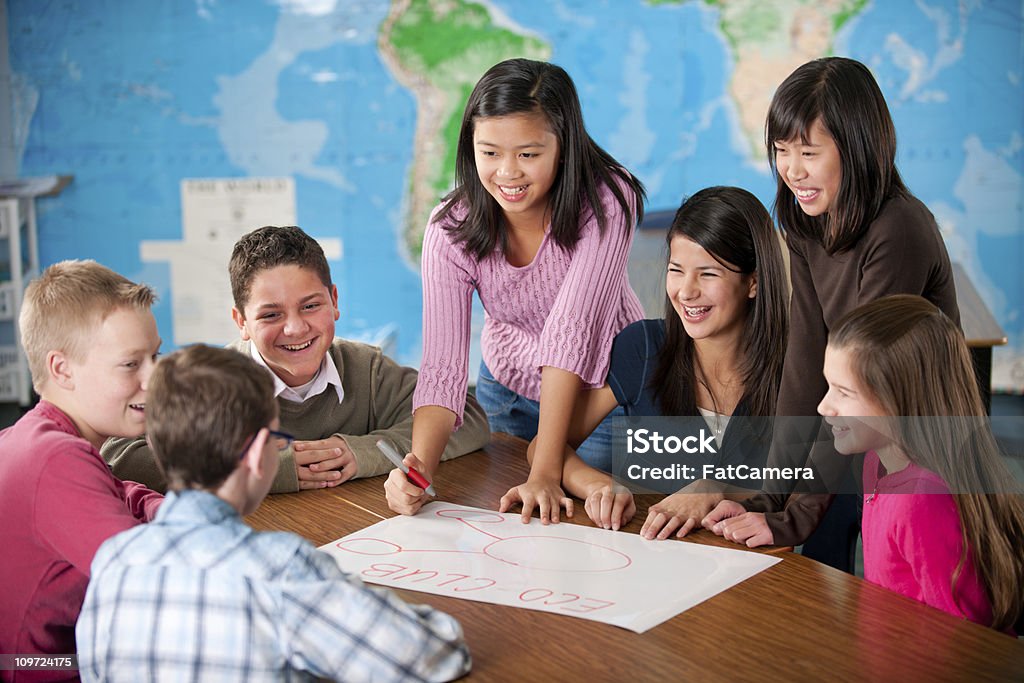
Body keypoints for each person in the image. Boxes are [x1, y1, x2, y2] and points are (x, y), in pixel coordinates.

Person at [76, 344, 471, 681]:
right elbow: (437, 654)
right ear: (256, 454)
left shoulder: (112, 563)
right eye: (277, 439)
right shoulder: (282, 573)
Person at [703, 56, 959, 571]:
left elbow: (861, 389)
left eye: (808, 151)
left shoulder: (898, 230)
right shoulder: (804, 216)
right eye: (780, 150)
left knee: (853, 566)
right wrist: (769, 499)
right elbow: (805, 356)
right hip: (858, 422)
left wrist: (791, 519)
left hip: (916, 442)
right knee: (802, 553)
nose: (791, 169)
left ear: (858, 147)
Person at [389, 58, 647, 523]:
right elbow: (443, 366)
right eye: (490, 153)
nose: (508, 173)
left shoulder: (609, 197)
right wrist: (420, 471)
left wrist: (547, 467)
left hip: (602, 390)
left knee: (602, 529)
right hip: (506, 391)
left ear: (563, 146)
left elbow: (572, 331)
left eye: (528, 154)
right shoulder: (451, 228)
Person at [103, 225, 490, 493]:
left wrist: (361, 452)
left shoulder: (367, 371)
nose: (294, 329)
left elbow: (468, 418)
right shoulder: (210, 383)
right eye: (270, 315)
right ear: (241, 321)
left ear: (334, 302)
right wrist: (268, 467)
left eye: (310, 306)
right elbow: (118, 454)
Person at [499, 187, 788, 533]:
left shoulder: (795, 364)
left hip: (769, 570)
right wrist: (598, 485)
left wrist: (714, 489)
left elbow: (810, 477)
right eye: (676, 270)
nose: (686, 291)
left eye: (708, 274)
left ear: (753, 282)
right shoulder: (645, 347)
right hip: (655, 559)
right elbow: (544, 449)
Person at [812, 296, 1021, 632]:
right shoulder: (873, 463)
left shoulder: (921, 501)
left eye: (844, 392)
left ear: (900, 401)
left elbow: (965, 643)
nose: (824, 405)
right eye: (828, 385)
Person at [0, 261, 163, 672]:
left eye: (156, 356)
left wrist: (160, 509)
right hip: (46, 670)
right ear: (62, 369)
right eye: (131, 364)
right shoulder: (55, 459)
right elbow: (155, 584)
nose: (154, 378)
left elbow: (120, 491)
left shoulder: (40, 437)